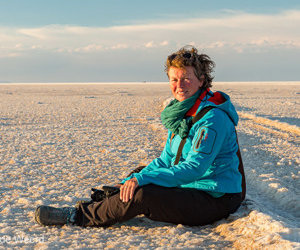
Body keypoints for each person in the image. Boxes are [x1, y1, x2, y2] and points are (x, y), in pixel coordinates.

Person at [35, 45, 245, 227]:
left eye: (186, 79)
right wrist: (131, 179)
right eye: (174, 79)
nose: (179, 86)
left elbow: (194, 168)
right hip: (193, 186)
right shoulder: (181, 113)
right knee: (139, 173)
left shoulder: (212, 118)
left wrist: (140, 181)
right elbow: (166, 159)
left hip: (216, 196)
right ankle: (113, 199)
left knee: (144, 193)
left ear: (201, 81)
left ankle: (78, 216)